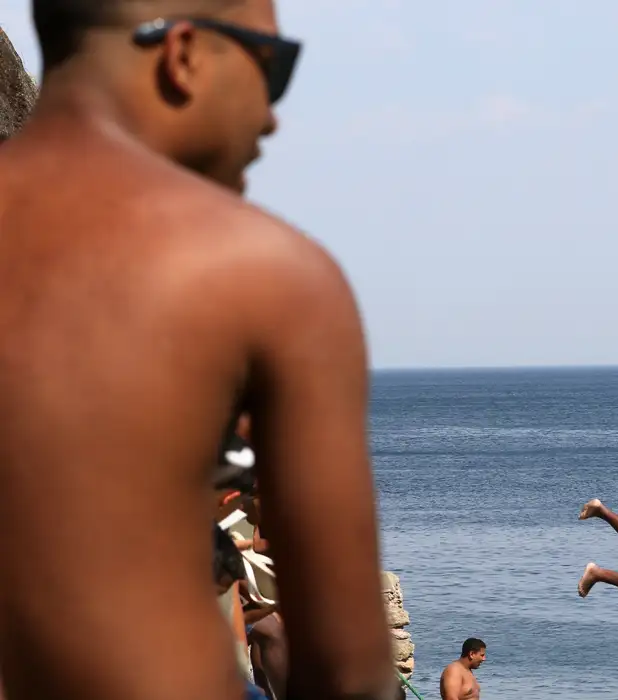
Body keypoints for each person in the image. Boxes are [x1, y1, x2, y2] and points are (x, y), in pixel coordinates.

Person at [0, 2, 396, 699]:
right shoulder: (262, 277)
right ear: (183, 56)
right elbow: (349, 673)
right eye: (272, 69)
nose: (272, 117)